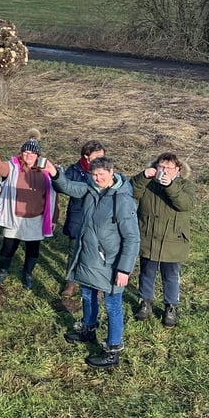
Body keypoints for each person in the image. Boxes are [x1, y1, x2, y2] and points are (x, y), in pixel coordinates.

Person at [50, 157, 140, 369]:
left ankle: (112, 351)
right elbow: (68, 187)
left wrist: (124, 269)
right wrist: (54, 173)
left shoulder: (123, 200)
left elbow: (132, 238)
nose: (97, 178)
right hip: (89, 257)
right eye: (94, 174)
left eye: (101, 174)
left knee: (112, 306)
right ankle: (88, 328)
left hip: (111, 264)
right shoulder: (91, 189)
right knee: (87, 295)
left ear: (112, 172)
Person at [0, 130, 58, 289]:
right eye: (25, 152)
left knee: (33, 249)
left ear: (38, 155)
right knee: (8, 246)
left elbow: (54, 197)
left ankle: (27, 273)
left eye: (32, 152)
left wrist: (54, 218)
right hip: (15, 216)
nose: (28, 155)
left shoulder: (46, 171)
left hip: (36, 218)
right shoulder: (13, 167)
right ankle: (3, 270)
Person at [131, 152, 196, 327]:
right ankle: (145, 303)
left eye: (169, 167)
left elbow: (185, 205)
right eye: (161, 166)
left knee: (171, 276)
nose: (164, 170)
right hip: (148, 238)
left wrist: (171, 186)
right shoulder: (148, 184)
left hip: (173, 240)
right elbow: (131, 193)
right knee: (146, 273)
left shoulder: (185, 186)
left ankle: (171, 307)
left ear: (178, 169)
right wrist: (143, 176)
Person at [55, 140, 106, 298]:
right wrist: (57, 176)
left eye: (102, 156)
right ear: (86, 156)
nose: (101, 160)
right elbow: (61, 187)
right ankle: (71, 281)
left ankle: (97, 284)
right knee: (74, 251)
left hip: (98, 217)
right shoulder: (75, 170)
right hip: (78, 215)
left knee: (98, 252)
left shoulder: (105, 170)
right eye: (97, 156)